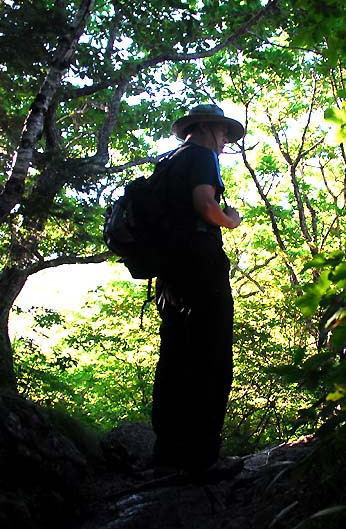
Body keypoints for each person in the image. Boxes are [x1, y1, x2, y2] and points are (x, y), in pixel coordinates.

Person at [149, 103, 245, 480]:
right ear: (206, 128)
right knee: (212, 357)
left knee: (174, 356)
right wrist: (230, 221)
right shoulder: (202, 157)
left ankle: (167, 454)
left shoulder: (167, 163)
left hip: (169, 275)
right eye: (223, 133)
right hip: (201, 269)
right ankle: (203, 459)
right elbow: (206, 205)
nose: (224, 142)